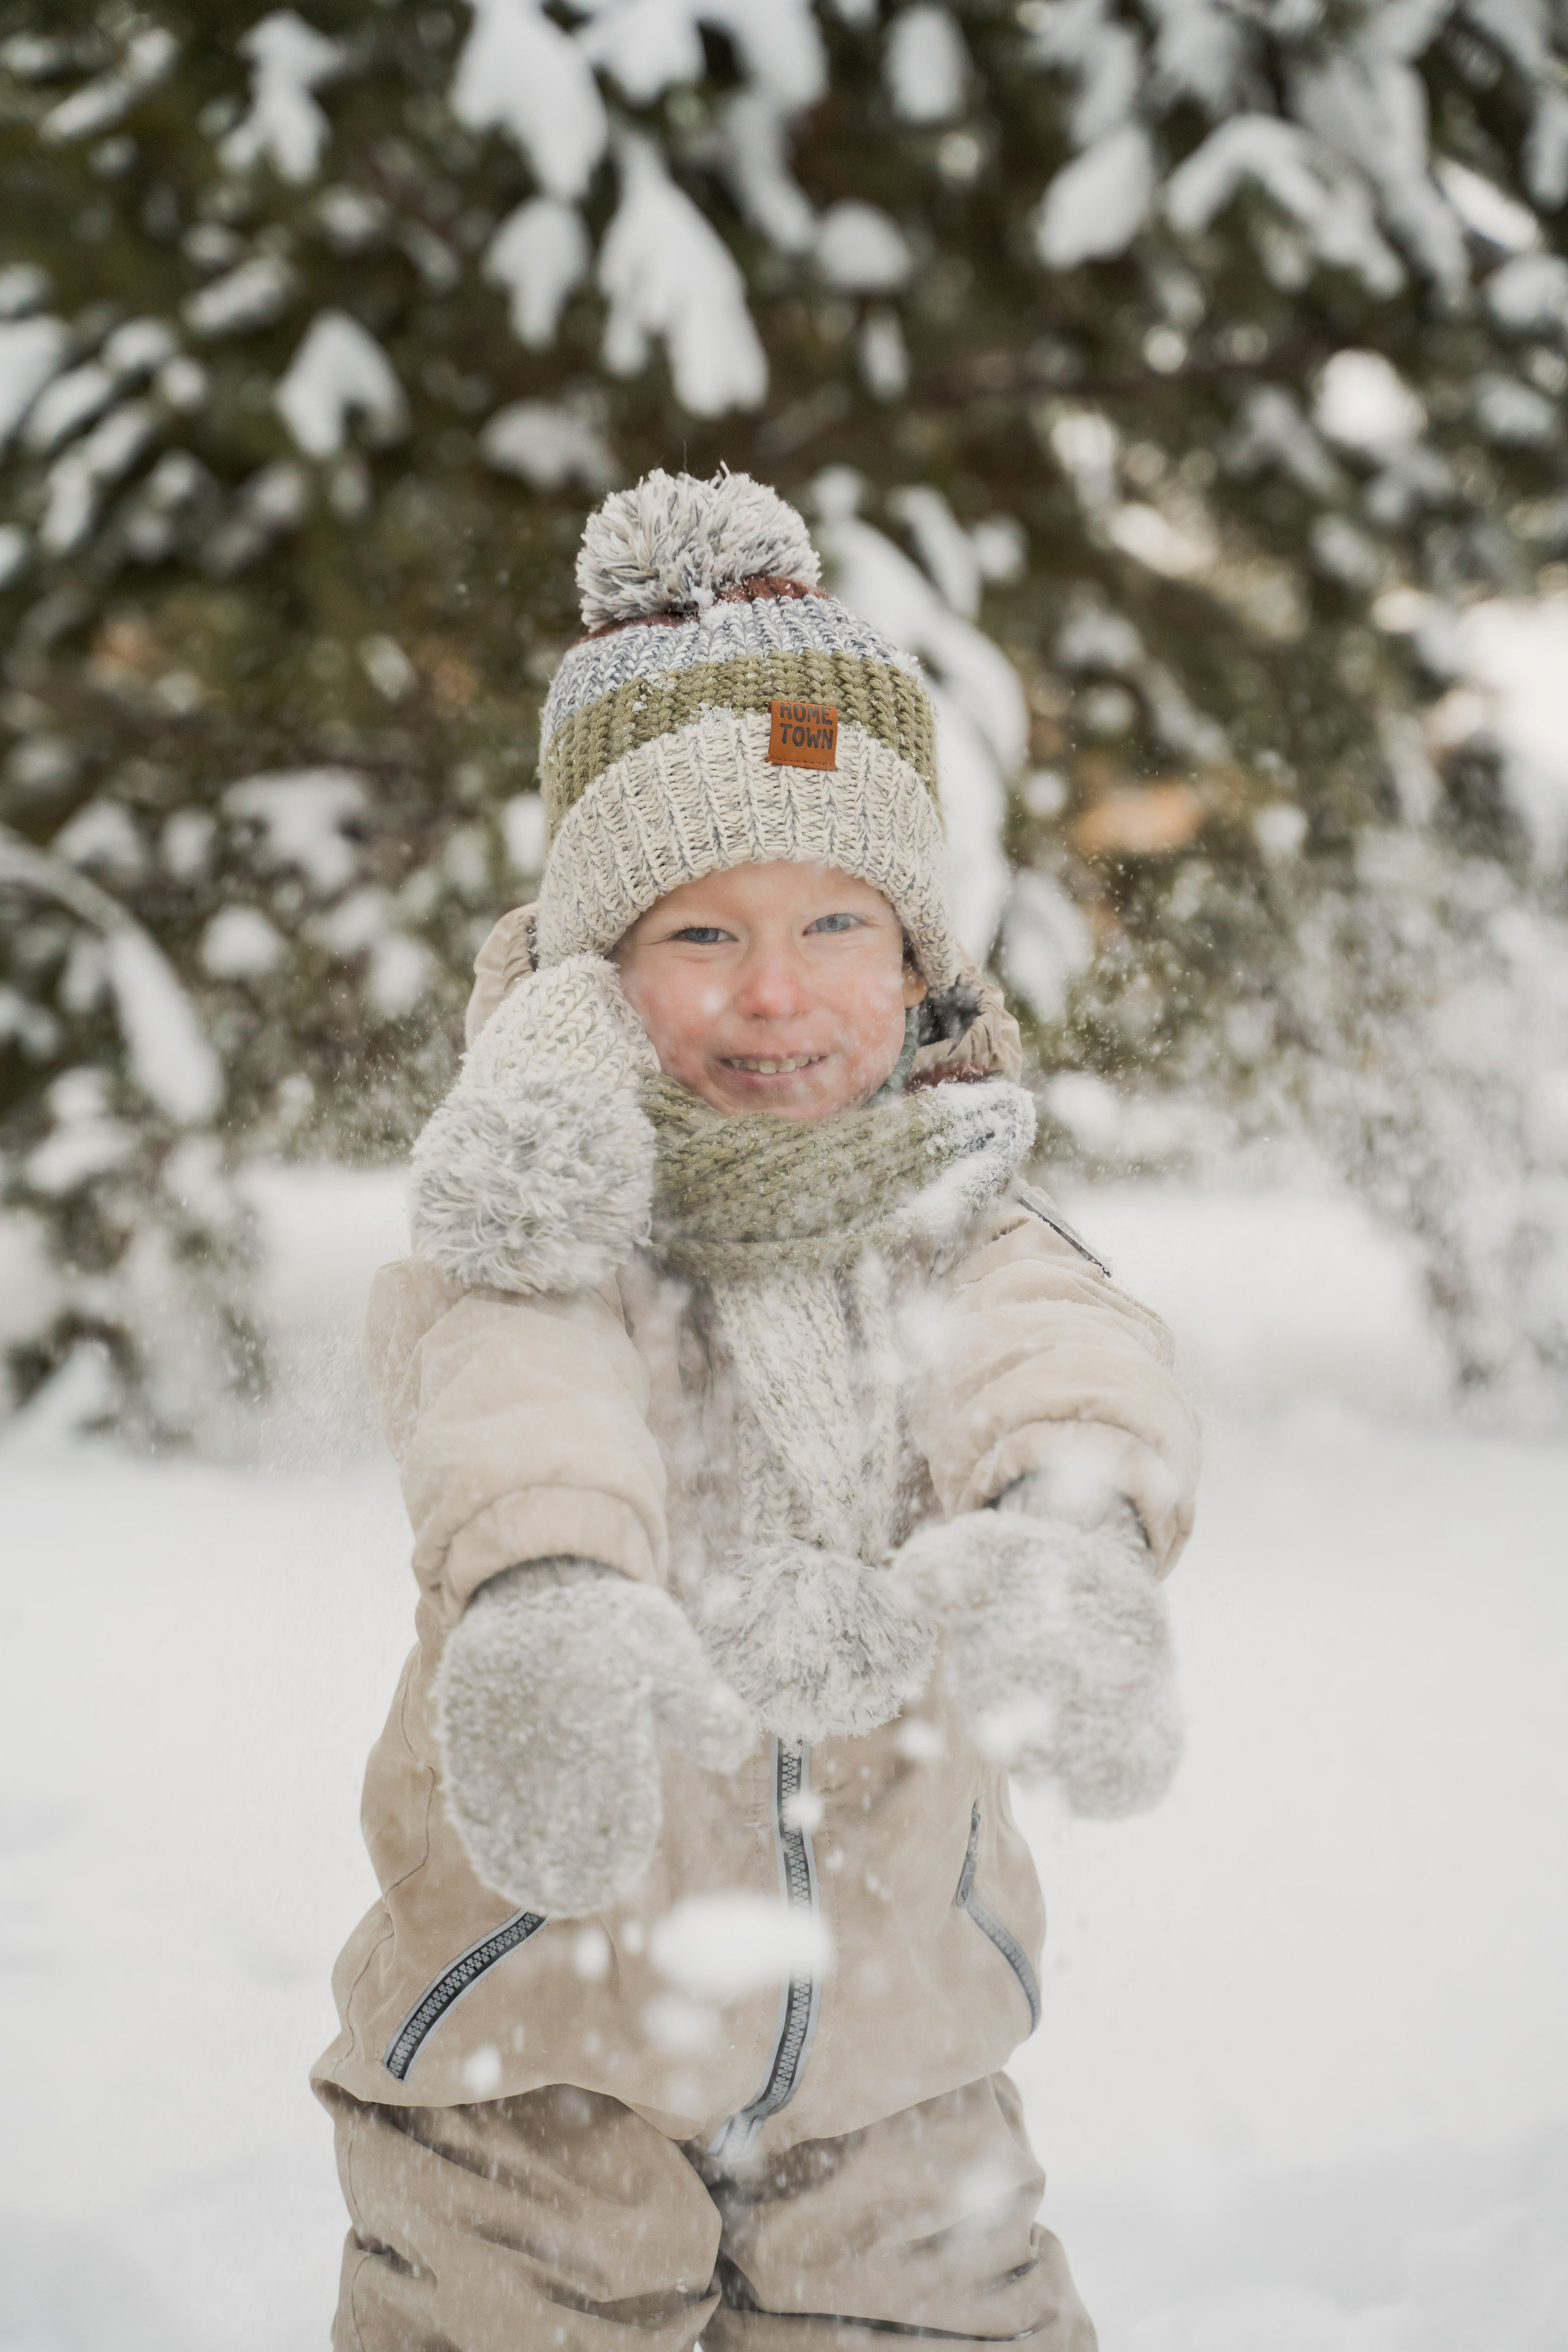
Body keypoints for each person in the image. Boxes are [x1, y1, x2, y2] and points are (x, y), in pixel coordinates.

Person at [313, 469, 1201, 2350]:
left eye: (836, 927)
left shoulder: (958, 1209)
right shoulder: (544, 1208)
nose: (776, 994)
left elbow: (1065, 1343)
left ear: (922, 960)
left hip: (895, 2038)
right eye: (699, 936)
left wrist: (1070, 1516)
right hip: (537, 2037)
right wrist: (549, 1591)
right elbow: (511, 1396)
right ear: (600, 972)